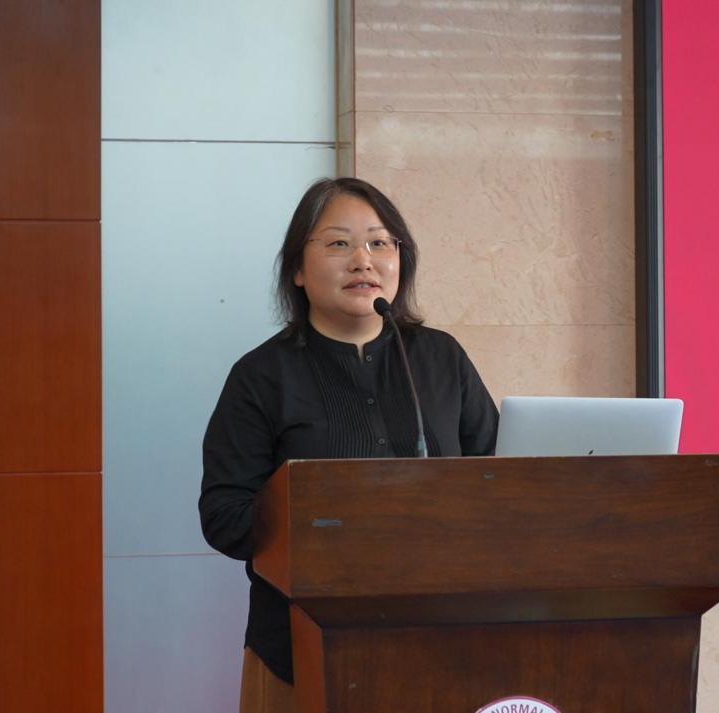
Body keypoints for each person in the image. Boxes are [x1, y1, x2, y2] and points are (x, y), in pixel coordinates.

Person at [199, 177, 499, 712]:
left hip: (445, 644)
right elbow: (225, 516)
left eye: (380, 242)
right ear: (297, 268)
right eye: (339, 243)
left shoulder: (440, 358)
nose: (363, 260)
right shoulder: (261, 376)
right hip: (301, 652)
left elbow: (499, 477)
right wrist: (331, 517)